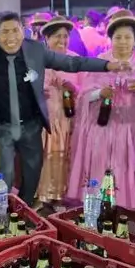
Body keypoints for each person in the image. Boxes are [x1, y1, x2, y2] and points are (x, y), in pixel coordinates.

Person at [0, 11, 129, 206]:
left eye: (15, 30)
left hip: (31, 125)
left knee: (32, 174)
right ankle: (1, 214)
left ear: (23, 31)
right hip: (1, 126)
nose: (11, 37)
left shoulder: (36, 51)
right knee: (5, 175)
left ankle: (25, 208)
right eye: (4, 31)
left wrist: (106, 65)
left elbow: (72, 62)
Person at [67, 10, 135, 208]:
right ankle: (99, 206)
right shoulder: (102, 60)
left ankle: (124, 206)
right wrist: (100, 93)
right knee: (102, 166)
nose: (123, 42)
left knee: (126, 166)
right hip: (102, 126)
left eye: (127, 37)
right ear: (111, 39)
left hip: (131, 127)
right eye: (118, 37)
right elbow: (84, 95)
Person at [36, 16, 83, 205]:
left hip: (67, 117)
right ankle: (42, 193)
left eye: (65, 36)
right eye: (57, 36)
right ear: (46, 38)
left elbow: (85, 89)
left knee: (65, 154)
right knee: (44, 155)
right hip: (45, 119)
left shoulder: (75, 60)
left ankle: (62, 193)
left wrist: (73, 88)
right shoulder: (37, 60)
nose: (62, 40)